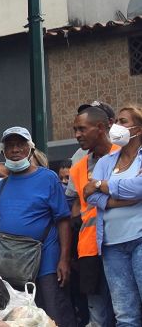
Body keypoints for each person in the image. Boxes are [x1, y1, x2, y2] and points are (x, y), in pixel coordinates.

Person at [0, 127, 75, 327]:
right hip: (14, 267)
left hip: (47, 261)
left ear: (30, 149)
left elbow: (63, 220)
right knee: (23, 318)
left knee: (55, 312)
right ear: (3, 152)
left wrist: (64, 259)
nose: (15, 149)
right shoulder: (0, 187)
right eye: (10, 146)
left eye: (20, 144)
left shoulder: (48, 178)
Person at [85, 105, 142, 326]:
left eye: (123, 121)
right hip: (111, 247)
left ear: (139, 128)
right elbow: (90, 196)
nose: (117, 126)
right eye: (116, 120)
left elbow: (139, 188)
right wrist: (121, 198)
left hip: (139, 240)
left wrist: (100, 184)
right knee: (125, 314)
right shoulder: (105, 162)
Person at [65, 106, 117, 327]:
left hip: (122, 241)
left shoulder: (126, 155)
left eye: (82, 129)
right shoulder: (78, 168)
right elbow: (74, 203)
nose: (77, 135)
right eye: (75, 129)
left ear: (101, 128)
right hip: (89, 249)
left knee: (128, 312)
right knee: (98, 318)